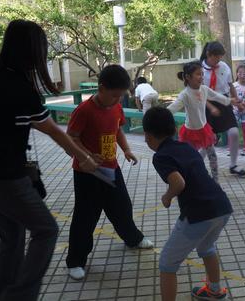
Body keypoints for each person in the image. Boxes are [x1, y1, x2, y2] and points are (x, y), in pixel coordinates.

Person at [0, 19, 98, 301]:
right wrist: (85, 157)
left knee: (12, 236)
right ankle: (19, 297)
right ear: (31, 50)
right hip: (2, 179)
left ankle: (2, 295)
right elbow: (51, 129)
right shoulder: (18, 86)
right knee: (46, 230)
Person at [66, 64, 153, 280]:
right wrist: (86, 155)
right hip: (86, 173)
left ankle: (133, 239)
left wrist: (126, 150)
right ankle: (75, 261)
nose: (117, 100)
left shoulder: (116, 107)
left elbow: (118, 131)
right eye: (114, 95)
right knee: (85, 217)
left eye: (121, 96)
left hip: (111, 169)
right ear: (101, 88)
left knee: (122, 207)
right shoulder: (84, 111)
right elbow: (71, 138)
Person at [143, 106, 233, 301]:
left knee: (167, 262)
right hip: (222, 207)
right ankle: (214, 290)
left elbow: (178, 183)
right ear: (174, 129)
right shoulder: (186, 147)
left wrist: (167, 197)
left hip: (198, 214)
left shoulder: (161, 156)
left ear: (148, 136)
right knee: (206, 247)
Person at [168, 61, 234, 182]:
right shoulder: (185, 95)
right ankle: (187, 180)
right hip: (190, 133)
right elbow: (173, 108)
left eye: (202, 74)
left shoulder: (203, 89)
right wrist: (159, 115)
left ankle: (215, 182)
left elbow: (216, 96)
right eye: (198, 74)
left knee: (212, 157)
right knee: (189, 159)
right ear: (188, 77)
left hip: (204, 130)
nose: (202, 77)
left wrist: (230, 100)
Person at [200, 41, 245, 176]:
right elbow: (199, 93)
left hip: (224, 102)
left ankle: (233, 165)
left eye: (220, 57)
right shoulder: (199, 69)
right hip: (206, 105)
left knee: (233, 132)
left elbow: (230, 86)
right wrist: (211, 107)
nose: (219, 60)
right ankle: (195, 166)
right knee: (208, 140)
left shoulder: (224, 66)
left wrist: (237, 102)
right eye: (216, 57)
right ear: (208, 54)